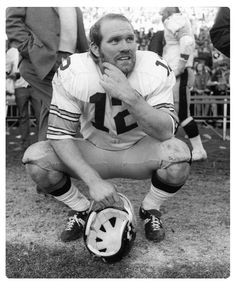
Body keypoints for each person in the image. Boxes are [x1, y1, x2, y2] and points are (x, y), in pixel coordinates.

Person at [22, 13, 191, 244]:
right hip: (94, 149)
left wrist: (131, 96)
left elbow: (165, 132)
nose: (126, 47)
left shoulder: (153, 67)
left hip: (139, 150)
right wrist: (92, 181)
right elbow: (60, 136)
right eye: (115, 41)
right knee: (36, 158)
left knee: (179, 154)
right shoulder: (74, 71)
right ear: (94, 48)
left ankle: (150, 208)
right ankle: (80, 208)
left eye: (129, 39)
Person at [6, 7, 89, 141]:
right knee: (68, 111)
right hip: (40, 59)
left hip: (71, 62)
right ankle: (76, 153)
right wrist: (31, 50)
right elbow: (12, 21)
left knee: (50, 113)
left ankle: (42, 158)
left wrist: (89, 57)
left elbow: (80, 37)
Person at [160, 7, 207, 161]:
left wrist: (179, 67)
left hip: (179, 73)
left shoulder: (174, 19)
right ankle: (169, 149)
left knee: (181, 114)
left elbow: (187, 42)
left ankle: (198, 150)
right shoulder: (177, 18)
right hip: (176, 73)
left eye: (163, 10)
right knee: (173, 112)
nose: (161, 13)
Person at [6, 46, 41, 150]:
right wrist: (13, 74)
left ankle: (42, 144)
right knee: (23, 116)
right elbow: (7, 69)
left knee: (40, 115)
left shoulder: (35, 47)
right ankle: (25, 144)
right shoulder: (11, 52)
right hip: (20, 87)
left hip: (35, 86)